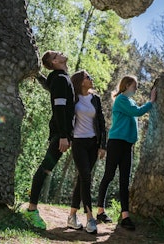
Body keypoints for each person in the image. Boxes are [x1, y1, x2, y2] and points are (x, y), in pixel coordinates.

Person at [95, 75, 157, 231]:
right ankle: (100, 211)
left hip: (127, 145)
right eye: (134, 85)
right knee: (109, 175)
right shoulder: (122, 99)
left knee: (125, 180)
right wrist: (152, 101)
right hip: (116, 143)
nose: (136, 88)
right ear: (127, 85)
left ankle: (125, 216)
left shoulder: (131, 101)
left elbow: (135, 111)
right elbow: (137, 112)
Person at [23, 50, 75, 230]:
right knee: (45, 168)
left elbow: (49, 86)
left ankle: (31, 208)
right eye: (56, 55)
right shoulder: (60, 79)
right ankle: (31, 210)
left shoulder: (58, 78)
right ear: (54, 62)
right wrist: (63, 135)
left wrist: (38, 75)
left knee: (46, 168)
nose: (60, 53)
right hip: (60, 134)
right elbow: (59, 108)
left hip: (61, 133)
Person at [66, 70, 107, 234]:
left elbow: (102, 123)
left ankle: (71, 216)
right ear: (81, 81)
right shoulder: (73, 98)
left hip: (93, 143)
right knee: (86, 178)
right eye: (88, 77)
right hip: (78, 143)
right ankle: (90, 218)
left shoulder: (95, 99)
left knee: (83, 178)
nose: (91, 79)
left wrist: (103, 145)